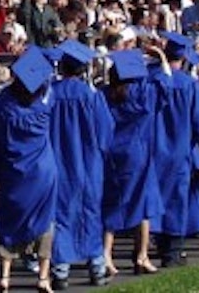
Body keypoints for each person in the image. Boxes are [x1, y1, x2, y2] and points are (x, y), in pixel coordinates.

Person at [0, 48, 57, 293]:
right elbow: (48, 87)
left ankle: (5, 275)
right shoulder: (44, 106)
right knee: (46, 222)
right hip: (43, 171)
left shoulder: (3, 105)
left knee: (10, 221)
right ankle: (43, 277)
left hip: (13, 171)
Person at [48, 40, 114, 289]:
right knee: (90, 213)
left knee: (61, 215)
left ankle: (60, 271)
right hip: (88, 164)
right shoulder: (91, 96)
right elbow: (106, 133)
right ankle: (96, 268)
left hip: (58, 163)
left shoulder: (51, 94)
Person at [101, 49, 165, 277]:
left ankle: (106, 255)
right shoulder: (142, 93)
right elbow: (164, 86)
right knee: (143, 203)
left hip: (112, 153)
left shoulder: (104, 94)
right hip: (137, 153)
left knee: (112, 203)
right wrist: (161, 57)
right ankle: (141, 255)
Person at [151, 32, 199, 267]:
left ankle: (158, 243)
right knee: (176, 196)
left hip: (155, 148)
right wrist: (191, 140)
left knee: (157, 195)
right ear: (184, 58)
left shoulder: (152, 79)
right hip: (180, 147)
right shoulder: (189, 84)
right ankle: (173, 250)